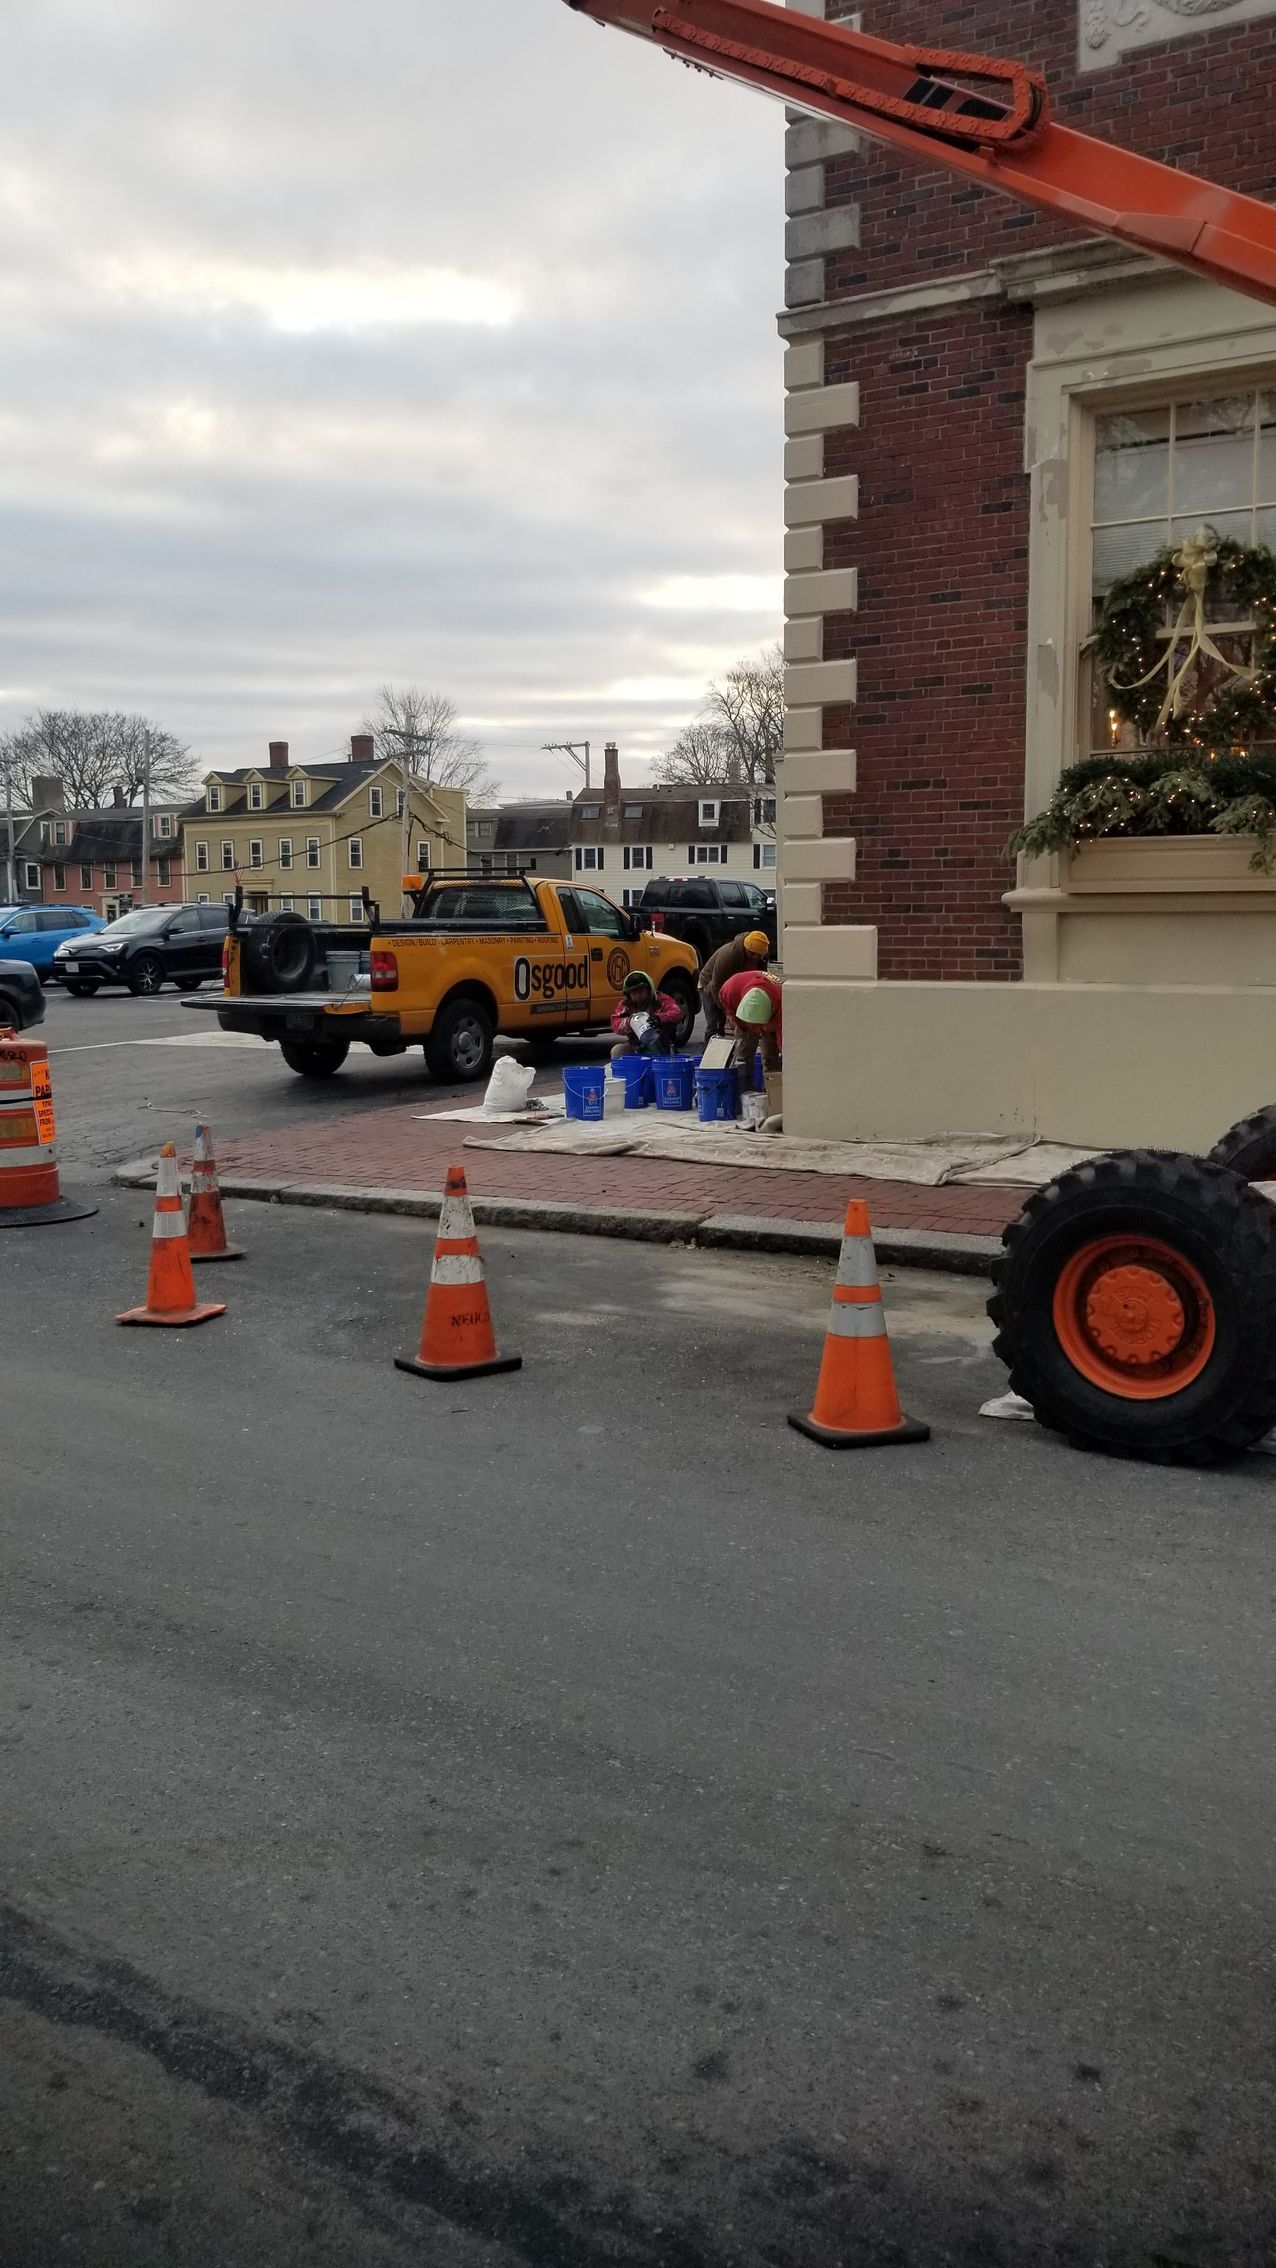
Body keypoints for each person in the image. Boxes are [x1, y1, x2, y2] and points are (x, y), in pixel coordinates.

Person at [698, 929, 771, 1040]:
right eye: (752, 954)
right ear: (746, 948)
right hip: (710, 984)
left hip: (737, 985)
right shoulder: (729, 955)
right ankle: (710, 1052)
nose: (755, 957)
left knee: (744, 1018)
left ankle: (736, 1048)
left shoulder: (762, 953)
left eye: (758, 955)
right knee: (716, 1022)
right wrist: (727, 1012)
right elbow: (716, 985)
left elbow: (760, 978)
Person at [717, 967, 782, 1088]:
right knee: (743, 1054)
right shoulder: (732, 988)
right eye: (753, 1026)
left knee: (771, 1055)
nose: (757, 1031)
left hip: (773, 1011)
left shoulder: (782, 1003)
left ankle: (772, 1091)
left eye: (759, 1027)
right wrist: (732, 1017)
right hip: (743, 1014)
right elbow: (723, 998)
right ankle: (744, 1089)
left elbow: (783, 1043)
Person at [610, 970, 683, 1058]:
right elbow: (615, 1023)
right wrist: (629, 1022)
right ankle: (629, 1070)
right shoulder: (626, 1005)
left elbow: (677, 1013)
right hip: (637, 1048)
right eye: (633, 992)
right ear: (628, 994)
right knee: (617, 1051)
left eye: (640, 991)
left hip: (664, 1049)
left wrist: (660, 1019)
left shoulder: (662, 1000)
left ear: (649, 989)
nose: (637, 995)